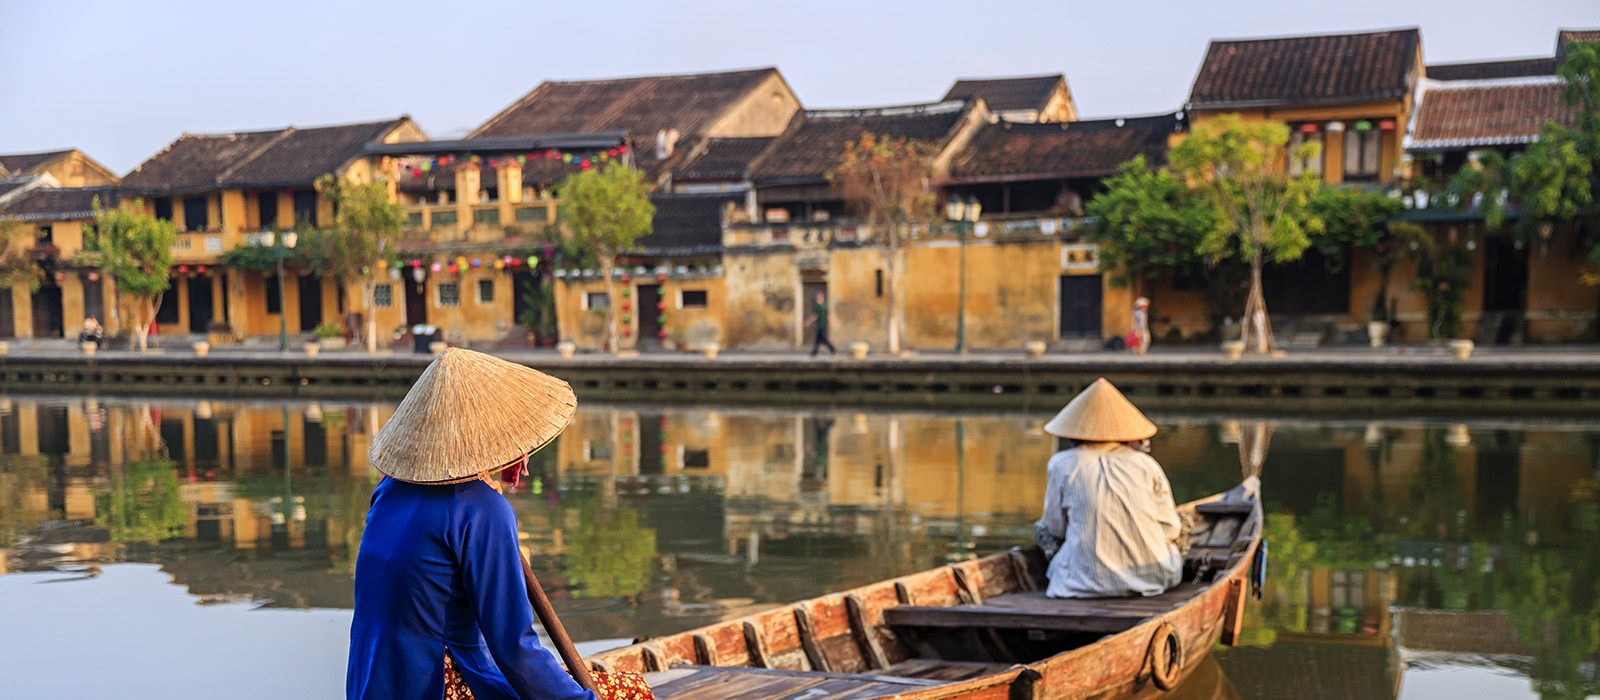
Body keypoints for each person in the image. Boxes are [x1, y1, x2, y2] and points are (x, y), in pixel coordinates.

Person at [348, 348, 596, 700]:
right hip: (439, 686)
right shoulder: (482, 510)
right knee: (631, 690)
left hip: (368, 687)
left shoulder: (388, 490)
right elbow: (514, 648)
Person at [1034, 378, 1184, 598]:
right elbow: (1170, 529)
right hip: (1153, 579)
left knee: (1041, 528)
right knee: (1185, 526)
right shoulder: (1145, 463)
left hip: (1078, 583)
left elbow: (1056, 528)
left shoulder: (1062, 463)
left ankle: (1084, 566)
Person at [805, 292, 836, 356]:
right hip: (824, 324)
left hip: (820, 325)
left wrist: (808, 322)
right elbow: (829, 315)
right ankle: (814, 352)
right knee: (817, 339)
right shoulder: (825, 306)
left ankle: (832, 348)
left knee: (823, 339)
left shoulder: (818, 307)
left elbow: (815, 316)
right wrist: (831, 323)